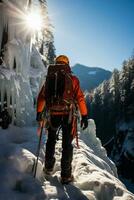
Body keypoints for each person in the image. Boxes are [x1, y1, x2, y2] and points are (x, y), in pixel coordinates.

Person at [36, 55, 88, 184]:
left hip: (52, 114)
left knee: (51, 140)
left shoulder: (50, 77)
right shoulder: (73, 79)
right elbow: (80, 98)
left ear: (56, 63)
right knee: (66, 145)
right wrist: (85, 115)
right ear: (67, 64)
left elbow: (42, 97)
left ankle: (48, 167)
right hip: (68, 115)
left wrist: (39, 113)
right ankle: (66, 175)